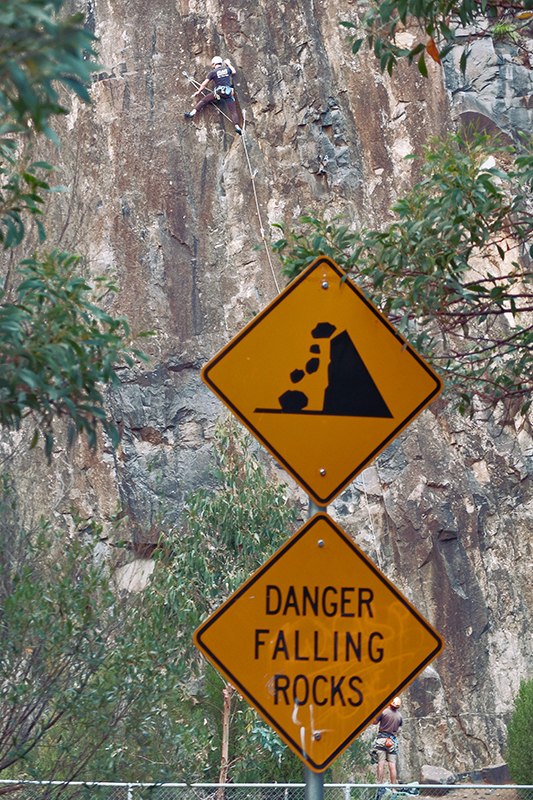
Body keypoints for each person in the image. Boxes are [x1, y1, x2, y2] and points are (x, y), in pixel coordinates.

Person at [185, 56, 242, 135]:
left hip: (218, 93)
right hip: (228, 93)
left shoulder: (213, 72)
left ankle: (192, 113)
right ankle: (237, 127)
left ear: (214, 64)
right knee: (233, 111)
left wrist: (199, 91)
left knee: (204, 100)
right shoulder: (227, 69)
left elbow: (205, 83)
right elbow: (234, 71)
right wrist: (228, 64)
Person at [372, 697, 402, 786]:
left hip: (381, 739)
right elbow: (398, 726)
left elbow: (374, 722)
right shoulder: (399, 716)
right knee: (392, 765)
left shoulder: (383, 712)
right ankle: (393, 787)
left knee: (381, 763)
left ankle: (380, 785)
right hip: (392, 741)